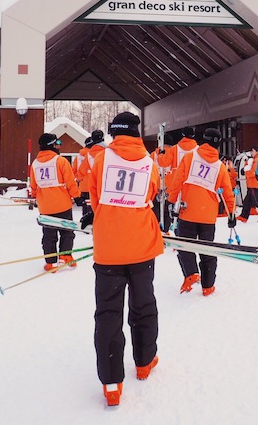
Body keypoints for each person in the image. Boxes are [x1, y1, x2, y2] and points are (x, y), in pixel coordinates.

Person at [88, 111, 164, 407]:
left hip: (108, 250)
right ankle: (144, 362)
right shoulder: (150, 163)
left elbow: (94, 199)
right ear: (136, 133)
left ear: (113, 133)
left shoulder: (100, 160)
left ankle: (111, 383)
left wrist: (110, 218)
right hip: (142, 247)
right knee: (144, 305)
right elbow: (153, 193)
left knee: (108, 313)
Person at [166, 128, 235, 296]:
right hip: (208, 216)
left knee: (185, 246)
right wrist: (231, 214)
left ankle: (190, 274)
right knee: (207, 249)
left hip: (187, 210)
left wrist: (171, 200)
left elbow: (177, 181)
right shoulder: (219, 166)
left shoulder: (189, 157)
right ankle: (208, 286)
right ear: (218, 144)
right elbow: (227, 191)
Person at [30, 133, 81, 271]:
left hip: (45, 207)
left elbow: (33, 185)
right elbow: (70, 182)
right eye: (57, 142)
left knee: (49, 235)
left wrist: (35, 197)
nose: (59, 145)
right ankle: (65, 256)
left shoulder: (35, 164)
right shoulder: (60, 161)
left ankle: (51, 262)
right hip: (62, 204)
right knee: (67, 232)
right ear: (52, 145)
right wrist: (77, 196)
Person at [237, 147, 258, 223]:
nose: (251, 152)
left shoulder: (257, 160)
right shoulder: (254, 159)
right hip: (252, 184)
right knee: (247, 201)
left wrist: (245, 172)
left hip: (255, 184)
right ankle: (244, 216)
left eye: (253, 151)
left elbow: (253, 172)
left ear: (257, 151)